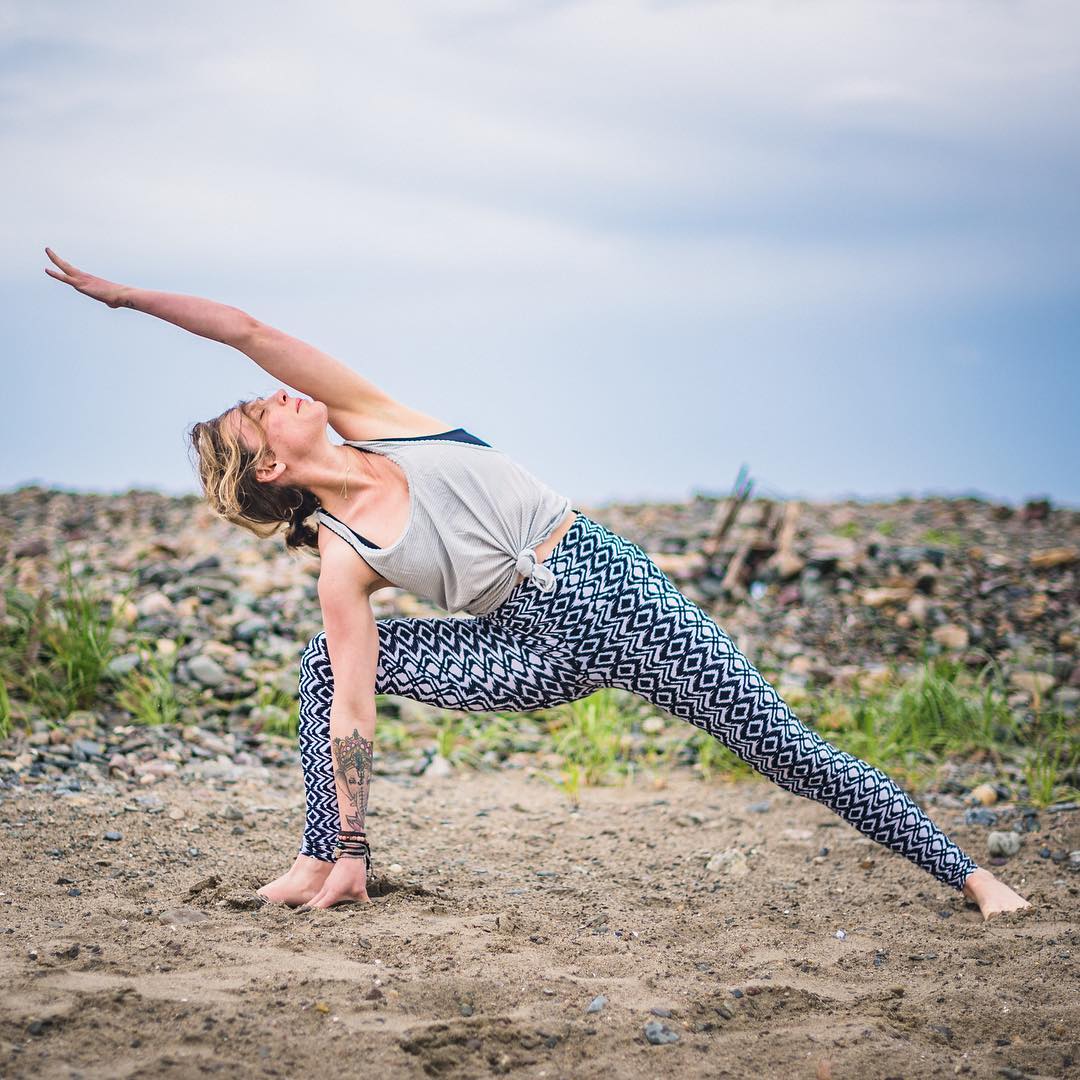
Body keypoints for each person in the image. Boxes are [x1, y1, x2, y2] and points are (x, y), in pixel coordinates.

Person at [44, 247, 1032, 921]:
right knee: (321, 664)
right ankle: (331, 864)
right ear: (270, 467)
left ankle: (975, 877)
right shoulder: (343, 555)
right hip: (525, 646)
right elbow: (352, 707)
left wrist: (129, 298)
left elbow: (244, 326)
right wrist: (350, 832)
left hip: (616, 587)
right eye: (264, 411)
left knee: (781, 745)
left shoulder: (376, 417)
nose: (280, 392)